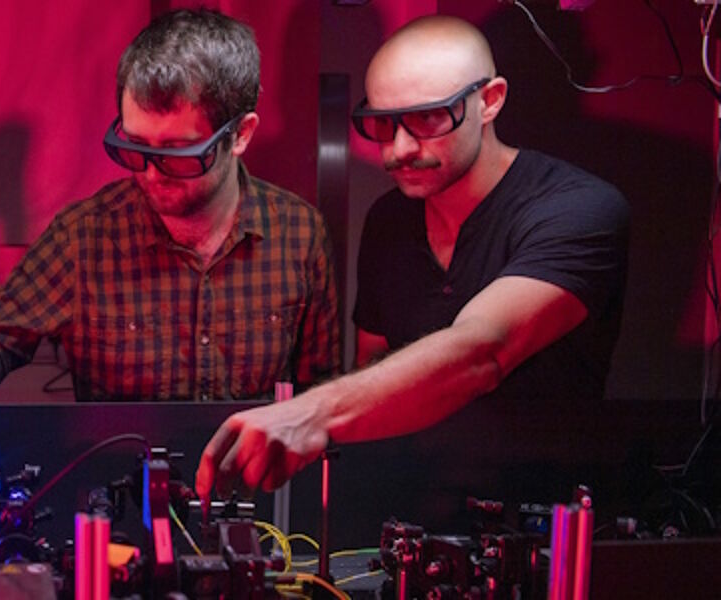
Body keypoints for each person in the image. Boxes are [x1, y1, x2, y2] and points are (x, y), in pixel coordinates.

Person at [196, 15, 629, 517]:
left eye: (427, 119)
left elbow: (483, 349)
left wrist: (309, 412)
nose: (398, 150)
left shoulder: (579, 208)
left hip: (544, 524)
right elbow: (373, 369)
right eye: (382, 124)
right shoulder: (390, 219)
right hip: (410, 521)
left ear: (489, 101)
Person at [0, 8, 340, 469]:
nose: (151, 174)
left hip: (255, 513)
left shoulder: (300, 236)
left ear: (240, 134)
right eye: (135, 148)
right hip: (118, 512)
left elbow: (324, 401)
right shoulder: (86, 237)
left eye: (178, 154)